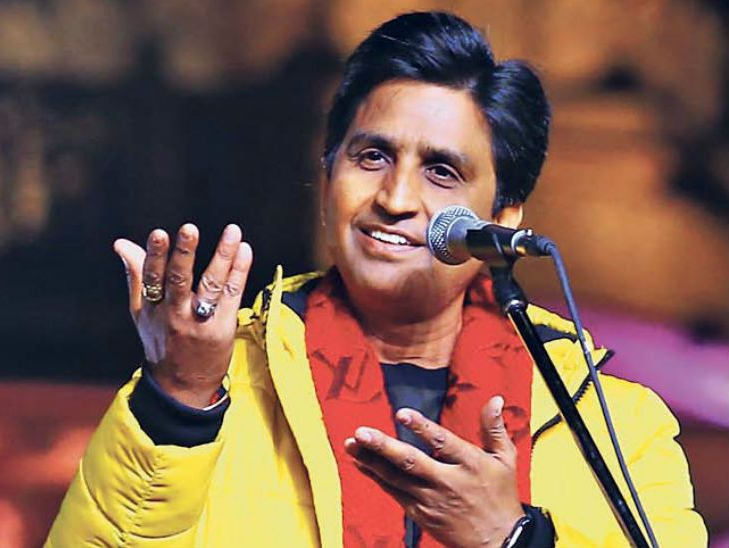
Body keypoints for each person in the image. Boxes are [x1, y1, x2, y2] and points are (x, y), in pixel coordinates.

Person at [46, 11, 707, 547]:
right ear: (328, 171)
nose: (395, 197)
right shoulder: (213, 384)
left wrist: (512, 539)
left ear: (503, 216)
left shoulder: (615, 425)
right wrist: (179, 400)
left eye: (441, 171)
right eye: (371, 156)